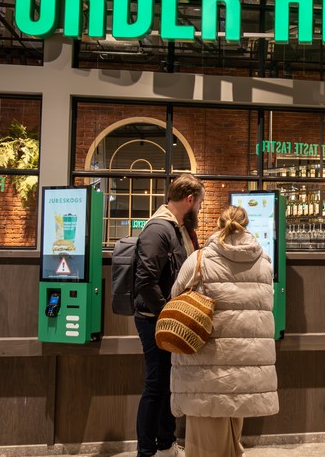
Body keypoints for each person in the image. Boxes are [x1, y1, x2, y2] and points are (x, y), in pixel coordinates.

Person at [169, 205, 278, 457]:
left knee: (205, 425)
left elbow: (175, 295)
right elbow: (266, 303)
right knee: (232, 415)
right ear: (246, 226)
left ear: (219, 225)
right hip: (244, 361)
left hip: (206, 359)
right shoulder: (264, 263)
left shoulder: (199, 259)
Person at [134, 173, 205, 457]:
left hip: (167, 319)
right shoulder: (158, 230)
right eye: (199, 203)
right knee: (156, 384)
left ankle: (165, 443)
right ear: (189, 200)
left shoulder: (180, 229)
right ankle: (146, 450)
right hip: (155, 320)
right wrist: (168, 314)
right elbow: (144, 281)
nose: (199, 209)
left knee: (167, 384)